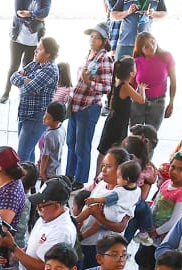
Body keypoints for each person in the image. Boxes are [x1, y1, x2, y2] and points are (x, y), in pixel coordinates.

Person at [64, 24, 113, 186]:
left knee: (82, 145)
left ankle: (79, 179)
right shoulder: (89, 55)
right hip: (76, 105)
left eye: (97, 37)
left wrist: (89, 82)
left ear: (104, 41)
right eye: (91, 36)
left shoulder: (104, 58)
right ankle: (69, 175)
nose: (92, 40)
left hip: (89, 107)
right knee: (71, 142)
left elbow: (106, 87)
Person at [7, 37, 59, 163]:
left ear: (48, 54)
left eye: (40, 48)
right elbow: (13, 76)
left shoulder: (50, 70)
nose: (35, 50)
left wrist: (25, 79)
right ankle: (28, 181)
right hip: (25, 113)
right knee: (28, 154)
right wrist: (26, 80)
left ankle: (21, 182)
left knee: (22, 154)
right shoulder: (36, 64)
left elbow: (27, 89)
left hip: (36, 116)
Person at [128, 32, 175, 135]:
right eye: (147, 46)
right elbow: (131, 86)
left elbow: (173, 81)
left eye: (153, 42)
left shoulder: (166, 57)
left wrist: (171, 103)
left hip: (158, 103)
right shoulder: (136, 62)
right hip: (138, 102)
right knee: (135, 136)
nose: (152, 47)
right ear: (141, 49)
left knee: (151, 137)